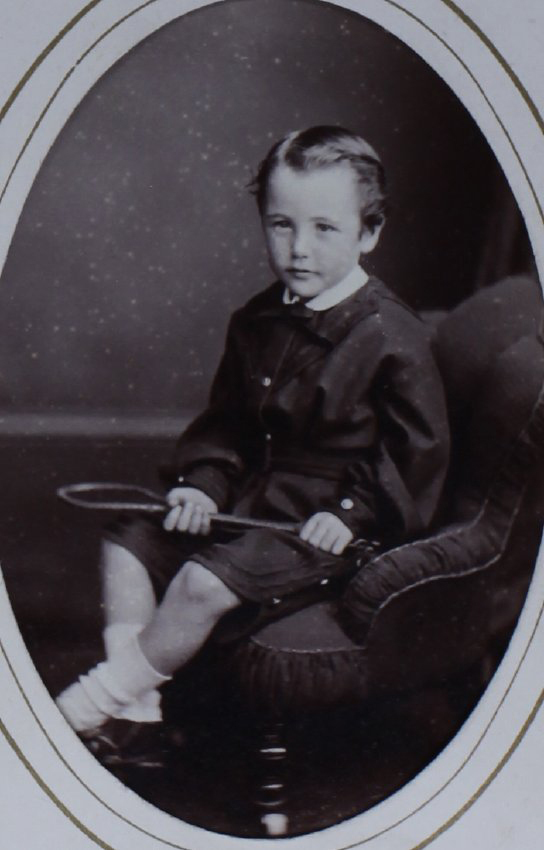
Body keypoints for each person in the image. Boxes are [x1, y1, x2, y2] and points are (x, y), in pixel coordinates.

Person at [56, 125, 450, 764]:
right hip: (253, 499)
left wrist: (348, 515)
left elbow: (416, 456)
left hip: (328, 525)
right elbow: (228, 426)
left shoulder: (391, 336)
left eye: (325, 228)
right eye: (280, 225)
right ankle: (141, 715)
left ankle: (93, 704)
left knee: (199, 584)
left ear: (369, 233)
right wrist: (202, 483)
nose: (299, 249)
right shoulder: (258, 320)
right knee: (127, 543)